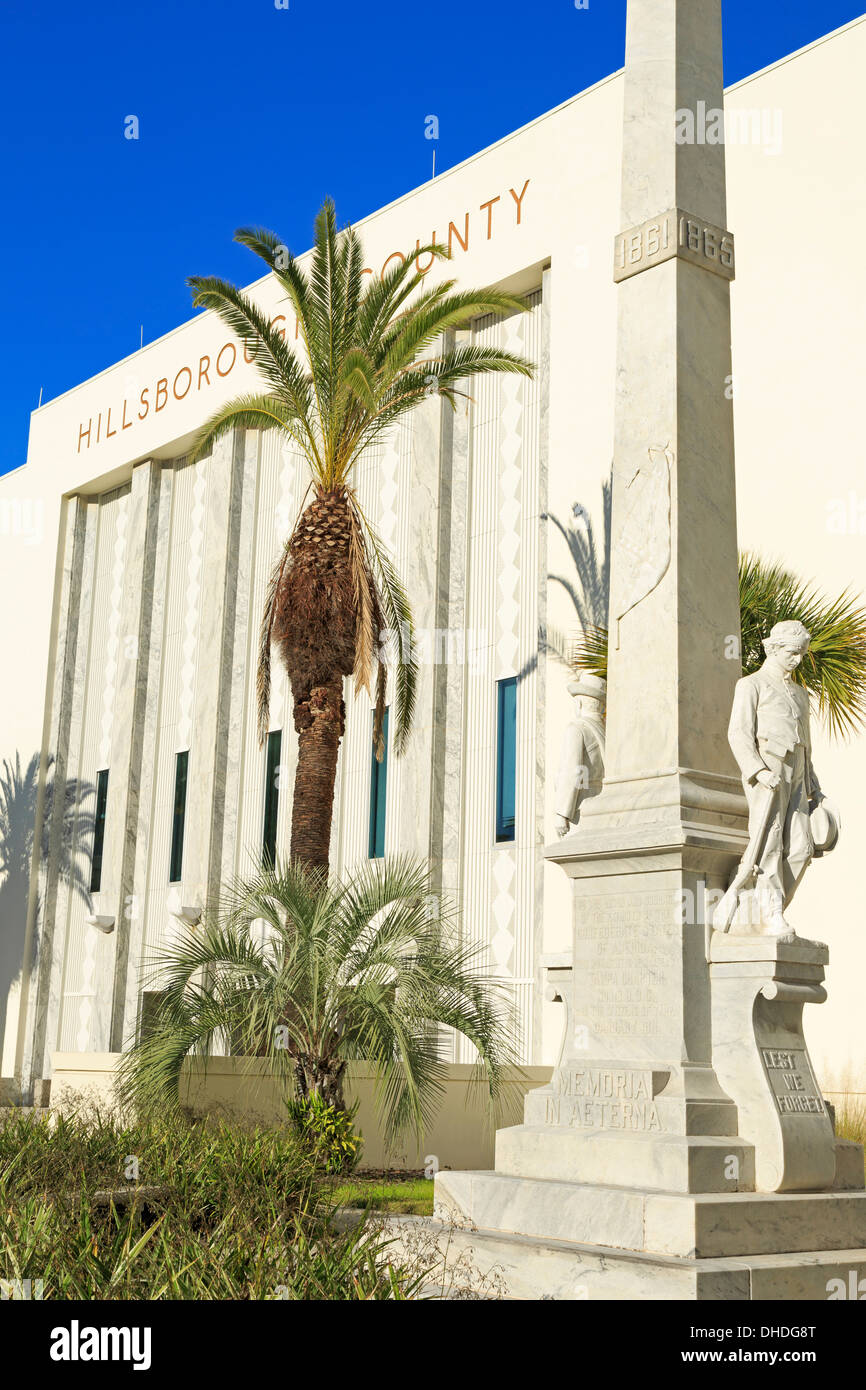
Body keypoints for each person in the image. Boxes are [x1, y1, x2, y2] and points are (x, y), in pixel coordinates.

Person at [727, 619, 827, 934]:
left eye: (801, 654)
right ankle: (770, 913)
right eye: (792, 653)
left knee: (802, 847)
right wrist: (758, 770)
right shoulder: (751, 684)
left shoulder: (800, 693)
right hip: (768, 768)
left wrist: (813, 785)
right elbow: (738, 733)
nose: (797, 660)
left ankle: (771, 907)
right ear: (775, 648)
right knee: (769, 841)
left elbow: (805, 743)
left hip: (797, 770)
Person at [554, 675, 606, 837]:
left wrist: (562, 813)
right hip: (603, 807)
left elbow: (572, 771)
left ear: (579, 704)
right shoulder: (606, 733)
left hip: (580, 808)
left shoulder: (577, 729)